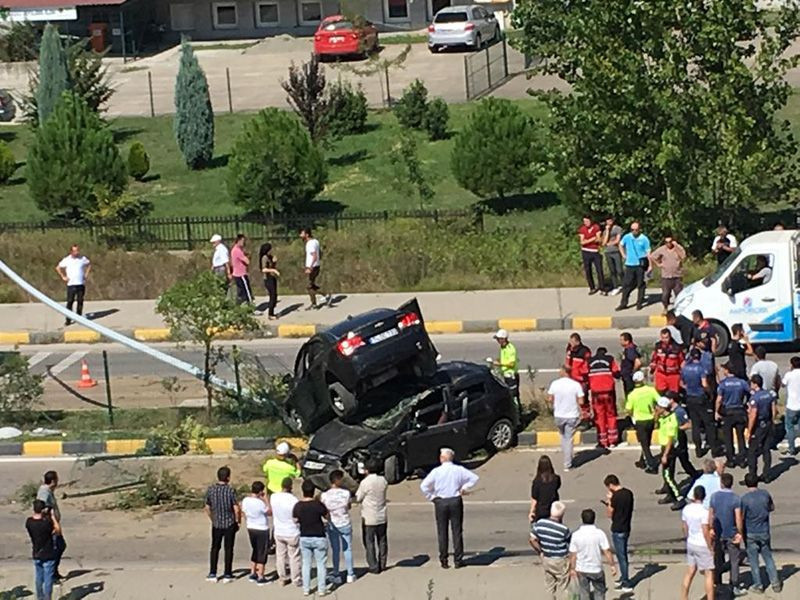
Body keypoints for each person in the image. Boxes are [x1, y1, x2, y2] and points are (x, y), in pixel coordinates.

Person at [419, 447, 479, 569]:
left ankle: (444, 560)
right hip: (455, 500)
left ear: (442, 458)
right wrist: (464, 488)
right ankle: (458, 560)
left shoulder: (436, 471)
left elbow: (424, 486)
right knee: (457, 531)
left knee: (442, 532)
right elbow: (474, 478)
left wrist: (432, 497)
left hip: (441, 502)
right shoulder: (458, 470)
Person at [741, 473, 782, 593]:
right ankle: (775, 583)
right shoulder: (765, 494)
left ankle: (758, 585)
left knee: (753, 561)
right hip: (764, 531)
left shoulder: (745, 499)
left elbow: (742, 517)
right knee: (768, 557)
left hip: (750, 532)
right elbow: (771, 507)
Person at [708, 472, 745, 595]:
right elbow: (738, 518)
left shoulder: (714, 497)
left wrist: (710, 528)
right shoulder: (736, 498)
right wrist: (740, 532)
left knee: (717, 559)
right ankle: (734, 585)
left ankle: (717, 583)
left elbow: (711, 515)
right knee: (734, 561)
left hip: (718, 533)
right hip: (731, 533)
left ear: (721, 483)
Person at [569, 508, 617, 600]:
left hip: (581, 569)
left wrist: (572, 568)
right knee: (599, 592)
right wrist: (612, 565)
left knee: (584, 592)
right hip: (596, 568)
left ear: (582, 519)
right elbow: (607, 551)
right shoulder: (599, 533)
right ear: (594, 519)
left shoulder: (576, 534)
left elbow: (573, 554)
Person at [204, 466, 240, 583]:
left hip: (216, 524)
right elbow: (236, 508)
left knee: (215, 548)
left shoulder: (211, 489)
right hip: (229, 523)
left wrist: (212, 518)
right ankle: (227, 573)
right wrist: (238, 521)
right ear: (228, 477)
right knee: (228, 549)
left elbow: (207, 507)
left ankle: (212, 573)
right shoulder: (230, 490)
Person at [294, 479, 330, 596]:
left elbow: (295, 520)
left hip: (304, 536)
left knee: (306, 564)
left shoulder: (298, 506)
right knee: (321, 564)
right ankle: (321, 589)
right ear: (313, 491)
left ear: (302, 491)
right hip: (319, 536)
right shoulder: (318, 505)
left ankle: (306, 589)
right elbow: (327, 516)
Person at [530, 501, 572, 599]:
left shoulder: (540, 523)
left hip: (547, 558)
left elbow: (532, 539)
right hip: (560, 560)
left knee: (549, 586)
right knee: (564, 586)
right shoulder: (563, 529)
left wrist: (540, 551)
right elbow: (570, 542)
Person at [680, 486, 715, 600]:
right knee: (709, 574)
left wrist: (687, 538)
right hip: (702, 544)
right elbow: (705, 530)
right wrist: (710, 547)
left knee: (690, 571)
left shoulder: (686, 509)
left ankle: (684, 597)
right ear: (704, 497)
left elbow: (685, 527)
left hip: (691, 543)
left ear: (694, 496)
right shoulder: (704, 511)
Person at [321, 470, 356, 586]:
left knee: (335, 549)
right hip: (345, 522)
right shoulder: (346, 493)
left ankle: (336, 572)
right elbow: (348, 506)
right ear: (337, 480)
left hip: (332, 524)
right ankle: (350, 574)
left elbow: (324, 510)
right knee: (347, 548)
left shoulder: (324, 495)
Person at [547, 367, 585, 471]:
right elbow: (581, 401)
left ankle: (566, 455)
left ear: (564, 372)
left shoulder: (555, 383)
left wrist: (556, 403)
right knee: (569, 439)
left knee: (563, 436)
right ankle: (567, 463)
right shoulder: (575, 385)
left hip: (559, 415)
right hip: (572, 415)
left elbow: (550, 398)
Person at [681, 349, 717, 458]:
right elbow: (705, 384)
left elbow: (682, 383)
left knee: (695, 424)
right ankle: (714, 449)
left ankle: (698, 450)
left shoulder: (685, 368)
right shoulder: (701, 369)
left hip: (690, 397)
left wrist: (688, 389)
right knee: (709, 423)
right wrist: (710, 392)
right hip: (701, 397)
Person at [355, 459, 388, 575]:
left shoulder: (365, 482)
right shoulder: (383, 480)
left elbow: (358, 497)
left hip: (369, 516)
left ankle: (373, 565)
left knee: (369, 542)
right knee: (382, 540)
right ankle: (382, 563)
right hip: (382, 515)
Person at [603, 474, 634, 593]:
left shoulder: (615, 497)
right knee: (623, 555)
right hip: (626, 527)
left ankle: (626, 582)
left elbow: (610, 514)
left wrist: (610, 501)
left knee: (622, 557)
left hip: (618, 528)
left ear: (611, 485)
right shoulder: (628, 493)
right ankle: (623, 577)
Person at [716, 362, 750, 468]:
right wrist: (747, 403)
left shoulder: (723, 384)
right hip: (740, 411)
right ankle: (742, 459)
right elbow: (750, 393)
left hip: (728, 412)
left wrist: (716, 411)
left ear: (727, 371)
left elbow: (719, 400)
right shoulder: (742, 382)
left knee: (728, 437)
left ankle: (730, 459)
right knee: (740, 436)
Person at [654, 396, 686, 510]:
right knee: (668, 474)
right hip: (665, 448)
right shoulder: (664, 417)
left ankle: (679, 498)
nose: (656, 408)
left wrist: (665, 455)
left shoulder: (671, 421)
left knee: (668, 476)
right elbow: (656, 424)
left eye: (658, 406)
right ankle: (670, 495)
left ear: (663, 407)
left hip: (670, 450)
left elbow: (670, 440)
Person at [26, 499, 61, 600]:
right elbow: (57, 530)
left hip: (36, 552)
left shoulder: (29, 522)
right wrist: (53, 517)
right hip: (48, 553)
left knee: (38, 577)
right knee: (48, 578)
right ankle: (47, 598)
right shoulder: (47, 523)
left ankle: (39, 597)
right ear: (42, 510)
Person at [624, 371, 659, 473]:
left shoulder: (632, 395)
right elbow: (659, 400)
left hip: (639, 421)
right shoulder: (650, 390)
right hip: (650, 419)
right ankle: (642, 460)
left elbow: (628, 409)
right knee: (647, 441)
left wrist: (632, 416)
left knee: (644, 444)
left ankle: (652, 465)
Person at [587, 347, 621, 448]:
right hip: (608, 393)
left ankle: (603, 441)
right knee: (611, 415)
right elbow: (616, 373)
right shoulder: (610, 359)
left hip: (596, 394)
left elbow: (585, 374)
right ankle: (613, 440)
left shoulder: (590, 361)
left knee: (599, 416)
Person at [271, 477, 302, 588]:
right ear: (291, 486)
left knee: (280, 555)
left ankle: (282, 578)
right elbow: (297, 517)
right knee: (294, 556)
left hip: (279, 530)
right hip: (291, 531)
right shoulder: (294, 500)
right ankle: (296, 578)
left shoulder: (274, 497)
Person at [746, 374, 777, 483]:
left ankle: (752, 476)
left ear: (754, 384)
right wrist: (772, 421)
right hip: (768, 424)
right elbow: (774, 410)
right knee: (766, 449)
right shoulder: (769, 394)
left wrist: (749, 431)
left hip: (758, 426)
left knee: (752, 452)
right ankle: (767, 475)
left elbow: (753, 415)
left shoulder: (755, 398)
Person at [616, 221, 652, 311]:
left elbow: (648, 252)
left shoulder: (644, 239)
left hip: (640, 264)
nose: (634, 231)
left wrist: (650, 265)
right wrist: (623, 255)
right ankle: (623, 303)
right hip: (630, 264)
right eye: (632, 230)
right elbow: (620, 245)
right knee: (626, 284)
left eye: (636, 230)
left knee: (641, 284)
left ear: (639, 229)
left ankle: (639, 302)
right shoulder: (627, 237)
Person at [36, 471, 65, 581]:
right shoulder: (44, 492)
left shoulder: (48, 491)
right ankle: (51, 573)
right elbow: (41, 508)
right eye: (57, 480)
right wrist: (50, 523)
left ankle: (53, 571)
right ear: (53, 481)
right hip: (51, 526)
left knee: (60, 546)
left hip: (53, 524)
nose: (58, 482)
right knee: (58, 546)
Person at [241, 481, 271, 585]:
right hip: (261, 528)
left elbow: (243, 512)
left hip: (251, 527)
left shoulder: (245, 500)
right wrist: (266, 500)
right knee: (262, 552)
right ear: (261, 491)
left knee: (255, 550)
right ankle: (261, 576)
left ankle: (253, 572)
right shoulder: (260, 503)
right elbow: (269, 512)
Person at [55, 244, 91, 326]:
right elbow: (58, 268)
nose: (76, 252)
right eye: (74, 251)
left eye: (77, 250)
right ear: (71, 251)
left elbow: (89, 265)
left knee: (80, 301)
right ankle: (68, 319)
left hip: (80, 283)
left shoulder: (82, 259)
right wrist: (63, 276)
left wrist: (86, 275)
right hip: (71, 284)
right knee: (70, 302)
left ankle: (79, 318)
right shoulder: (67, 260)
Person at [651, 234, 687, 314]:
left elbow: (683, 256)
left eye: (670, 242)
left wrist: (676, 246)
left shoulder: (677, 248)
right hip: (666, 276)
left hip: (677, 276)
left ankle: (679, 308)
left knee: (679, 294)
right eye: (666, 242)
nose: (668, 244)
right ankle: (665, 308)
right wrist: (658, 264)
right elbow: (652, 256)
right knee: (665, 294)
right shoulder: (662, 250)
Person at [668, 391, 700, 481]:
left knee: (684, 461)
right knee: (670, 464)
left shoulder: (680, 411)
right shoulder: (668, 410)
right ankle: (667, 484)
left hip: (680, 439)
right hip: (672, 439)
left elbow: (689, 424)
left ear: (672, 400)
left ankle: (695, 475)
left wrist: (678, 428)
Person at [565, 333, 592, 426]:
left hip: (581, 380)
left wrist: (580, 374)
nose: (570, 343)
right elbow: (567, 363)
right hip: (572, 379)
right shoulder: (570, 350)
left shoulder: (584, 351)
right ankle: (576, 417)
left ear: (577, 341)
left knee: (583, 400)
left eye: (572, 342)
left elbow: (587, 366)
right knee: (572, 400)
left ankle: (586, 418)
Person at [300, 227, 331, 310]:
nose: (300, 235)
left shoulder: (310, 244)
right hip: (315, 265)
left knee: (309, 286)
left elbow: (314, 255)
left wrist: (309, 267)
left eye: (302, 234)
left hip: (312, 267)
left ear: (307, 234)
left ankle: (325, 295)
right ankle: (314, 303)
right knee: (311, 285)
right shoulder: (316, 241)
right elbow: (319, 253)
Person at [578, 216, 607, 295]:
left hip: (595, 251)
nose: (586, 223)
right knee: (588, 270)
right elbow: (582, 242)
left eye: (587, 221)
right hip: (585, 252)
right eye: (584, 221)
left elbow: (599, 239)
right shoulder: (582, 229)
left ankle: (602, 288)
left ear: (591, 221)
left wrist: (590, 240)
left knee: (599, 270)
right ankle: (592, 287)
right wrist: (592, 239)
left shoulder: (596, 227)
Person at [489, 329, 519, 405]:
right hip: (505, 374)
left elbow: (511, 364)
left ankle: (517, 413)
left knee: (513, 396)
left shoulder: (510, 348)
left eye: (499, 339)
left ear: (503, 339)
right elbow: (505, 358)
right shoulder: (503, 347)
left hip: (511, 375)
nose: (497, 341)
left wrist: (499, 364)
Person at [650, 328, 684, 394]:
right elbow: (654, 360)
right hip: (661, 374)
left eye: (666, 338)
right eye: (663, 338)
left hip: (673, 375)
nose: (665, 340)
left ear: (670, 336)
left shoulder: (676, 348)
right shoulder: (658, 346)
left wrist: (683, 376)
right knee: (660, 393)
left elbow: (682, 362)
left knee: (673, 395)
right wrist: (652, 372)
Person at [529, 455, 561, 522]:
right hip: (553, 509)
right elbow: (558, 487)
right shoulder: (556, 479)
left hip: (541, 511)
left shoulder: (537, 481)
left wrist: (532, 512)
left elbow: (534, 499)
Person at [781, 355, 800, 456]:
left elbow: (783, 384)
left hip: (792, 405)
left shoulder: (789, 375)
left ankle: (792, 448)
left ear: (792, 365)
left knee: (790, 427)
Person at [230, 233, 254, 305]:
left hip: (237, 274)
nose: (244, 243)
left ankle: (240, 305)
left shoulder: (235, 250)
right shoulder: (237, 251)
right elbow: (247, 261)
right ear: (239, 241)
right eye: (243, 241)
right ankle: (251, 305)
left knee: (241, 292)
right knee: (247, 291)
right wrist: (248, 257)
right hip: (241, 274)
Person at [602, 216, 624, 294]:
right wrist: (607, 231)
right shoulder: (605, 231)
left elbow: (618, 240)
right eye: (607, 221)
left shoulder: (617, 229)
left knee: (619, 270)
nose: (609, 222)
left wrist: (610, 243)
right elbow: (604, 242)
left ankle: (624, 284)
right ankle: (615, 286)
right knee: (612, 270)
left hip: (616, 251)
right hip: (608, 252)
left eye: (610, 221)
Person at [259, 242, 280, 320]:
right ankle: (270, 314)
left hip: (272, 277)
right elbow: (264, 269)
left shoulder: (270, 257)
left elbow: (271, 265)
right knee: (272, 295)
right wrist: (274, 270)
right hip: (268, 278)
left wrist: (274, 262)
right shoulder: (264, 258)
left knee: (275, 295)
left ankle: (272, 312)